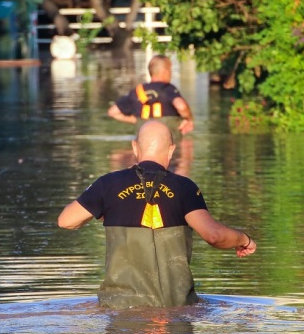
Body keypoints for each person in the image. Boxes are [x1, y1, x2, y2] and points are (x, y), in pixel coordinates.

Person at [57, 120, 256, 308]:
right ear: (172, 150)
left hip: (120, 311)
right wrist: (243, 239)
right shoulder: (184, 187)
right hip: (175, 310)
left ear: (135, 147)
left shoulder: (109, 184)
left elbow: (66, 221)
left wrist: (105, 206)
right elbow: (214, 235)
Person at [107, 54, 195, 143]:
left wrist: (137, 121)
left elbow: (113, 112)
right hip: (168, 143)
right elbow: (181, 106)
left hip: (144, 142)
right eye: (170, 69)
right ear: (165, 71)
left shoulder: (137, 91)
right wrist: (189, 120)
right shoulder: (168, 88)